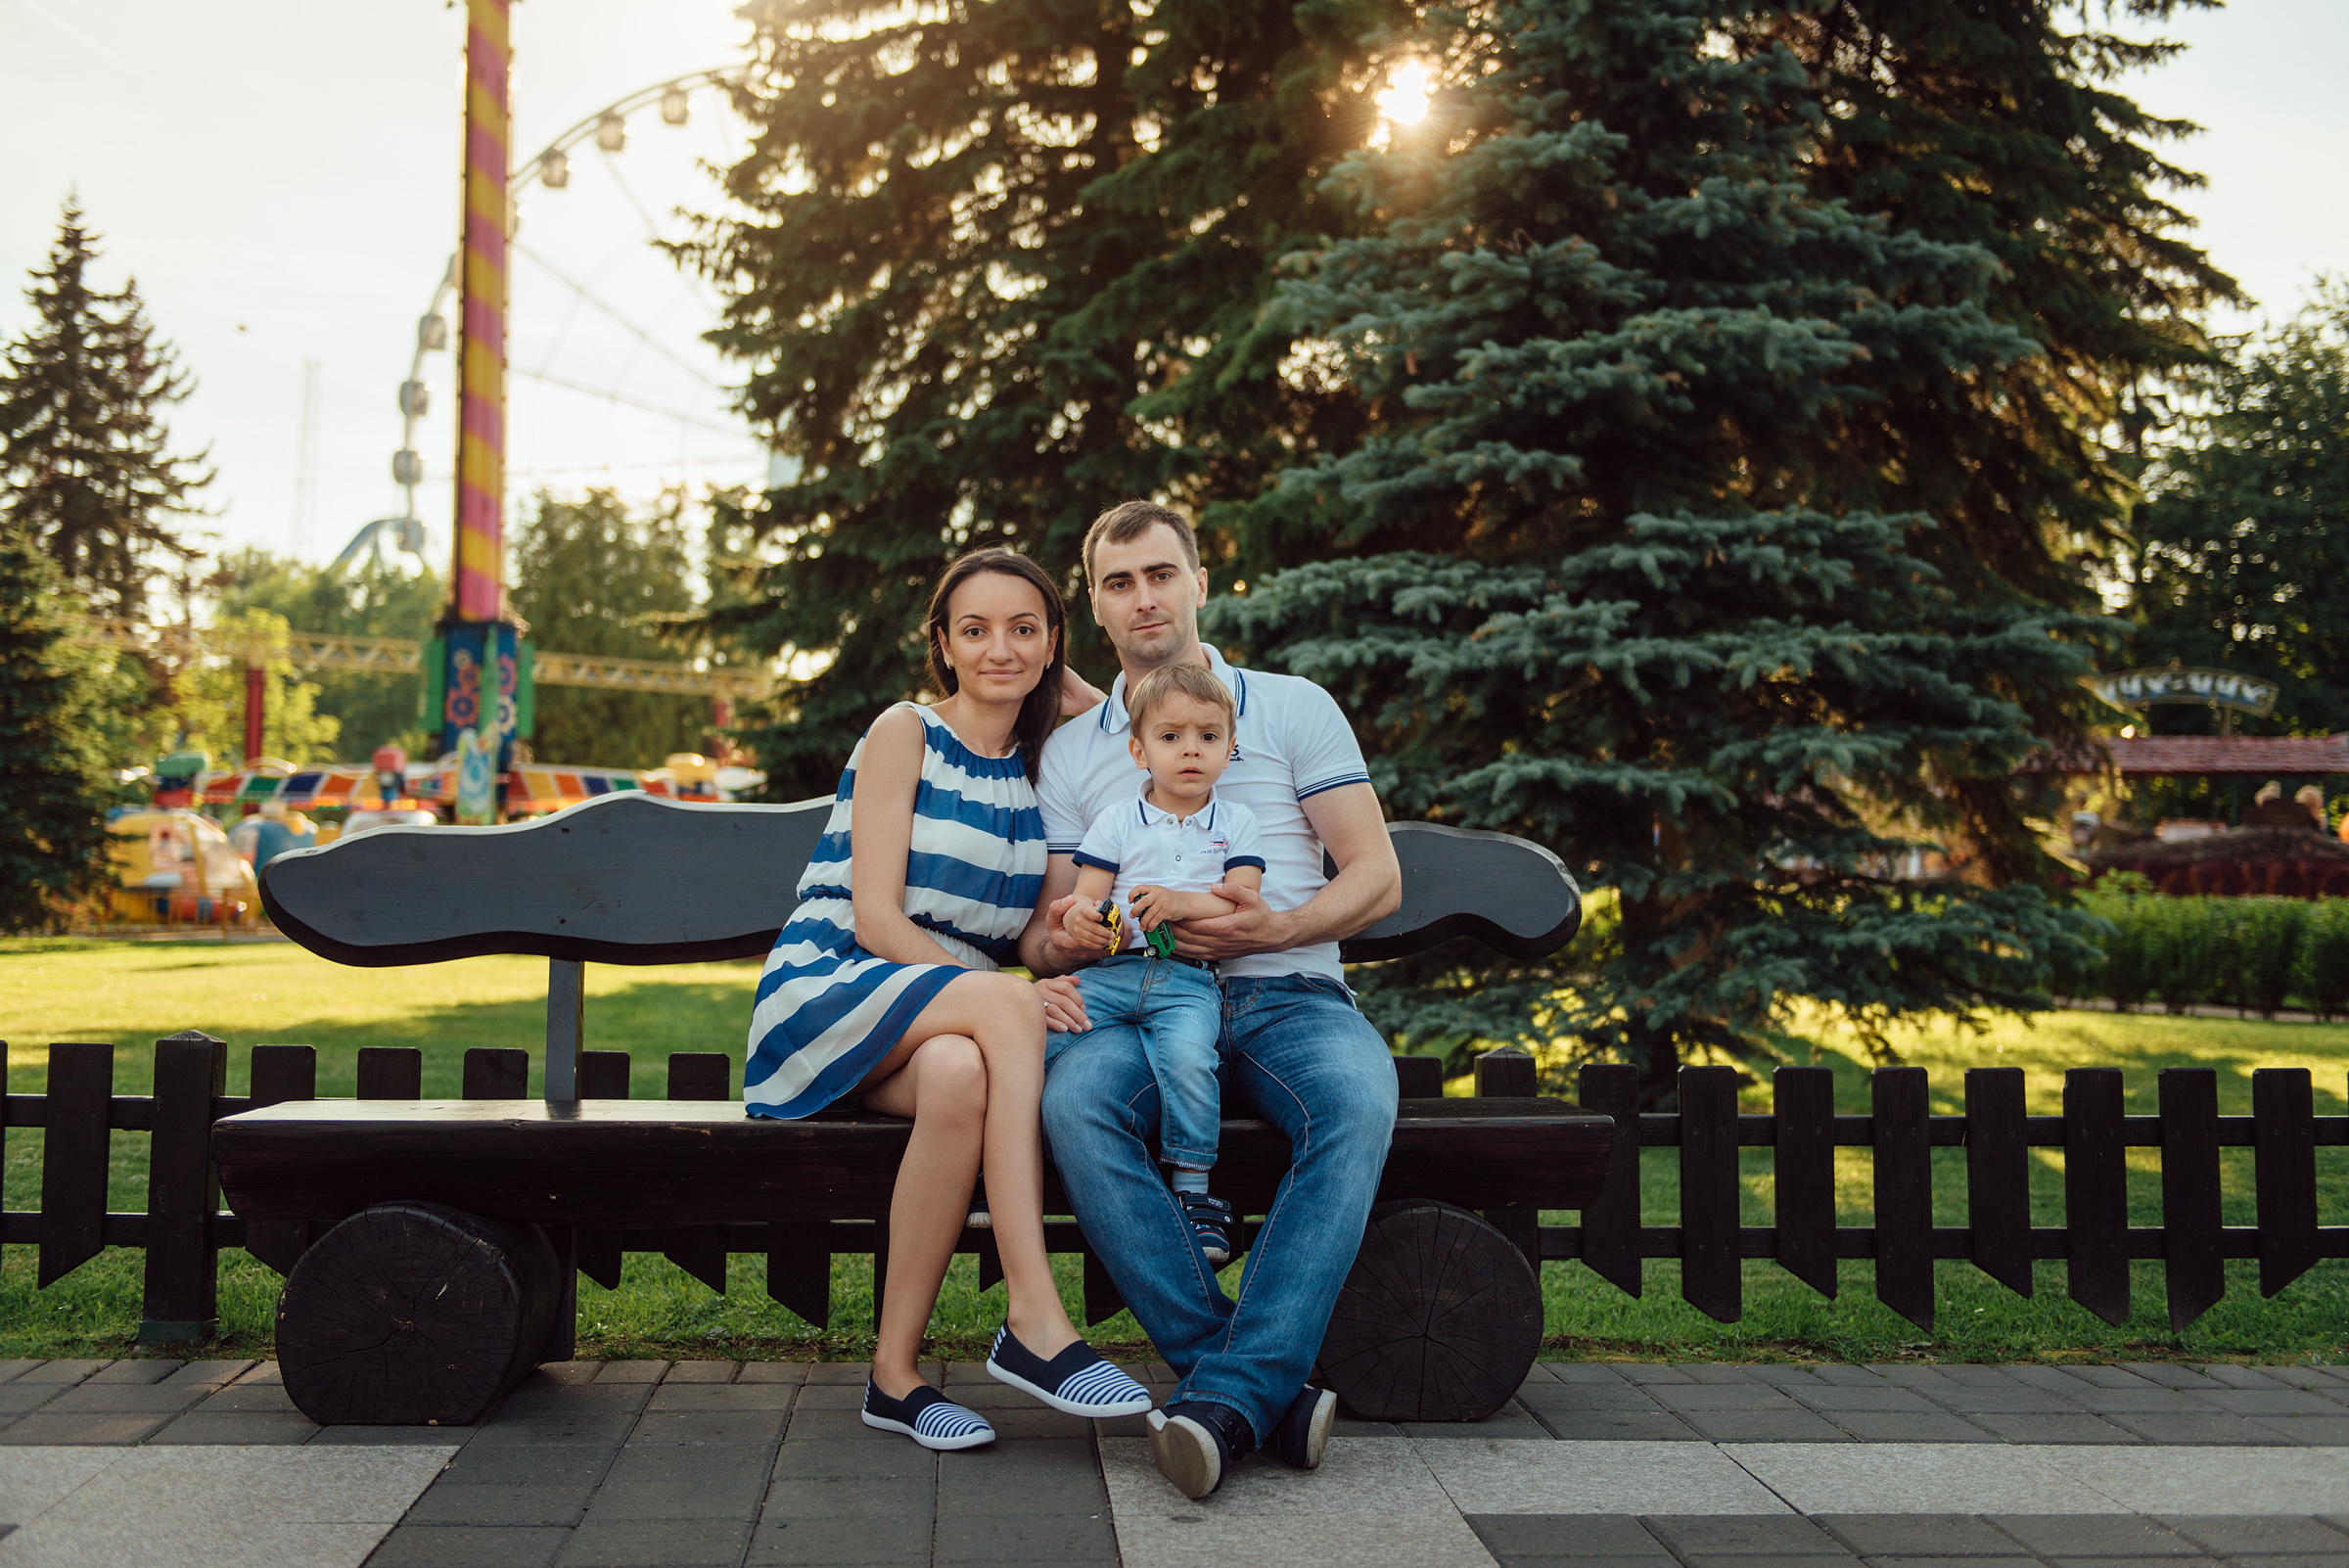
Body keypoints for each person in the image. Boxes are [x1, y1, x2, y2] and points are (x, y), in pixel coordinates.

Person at [1020, 501, 1404, 1500]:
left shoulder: (1292, 707)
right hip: (1139, 997)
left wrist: (1273, 928)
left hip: (1288, 995)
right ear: (1094, 606)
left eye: (1160, 574)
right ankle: (1255, 1393)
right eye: (1118, 582)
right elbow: (1050, 925)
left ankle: (1223, 1397)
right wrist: (1071, 938)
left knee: (1356, 1101)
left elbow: (1377, 877)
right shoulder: (1075, 752)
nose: (1143, 597)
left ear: (1199, 581)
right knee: (1076, 1102)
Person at [745, 547, 1153, 1452]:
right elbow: (877, 916)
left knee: (961, 1074)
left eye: (1023, 630)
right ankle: (1034, 1315)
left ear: (1053, 644)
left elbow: (1028, 934)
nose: (999, 649)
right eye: (975, 630)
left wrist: (1053, 954)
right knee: (1003, 1009)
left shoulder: (1036, 773)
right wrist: (1001, 995)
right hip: (835, 979)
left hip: (939, 1016)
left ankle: (893, 1378)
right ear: (943, 645)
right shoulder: (907, 732)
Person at [1057, 662, 1266, 1268]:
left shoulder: (1236, 823)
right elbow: (1089, 898)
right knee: (1034, 1038)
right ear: (1139, 751)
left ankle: (1195, 1192)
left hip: (1187, 981)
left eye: (1208, 736)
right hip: (1113, 973)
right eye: (1171, 736)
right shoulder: (1117, 820)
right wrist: (1088, 921)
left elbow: (1243, 901)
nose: (1190, 750)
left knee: (1191, 1059)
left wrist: (1180, 903)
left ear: (1230, 749)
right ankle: (990, 1166)